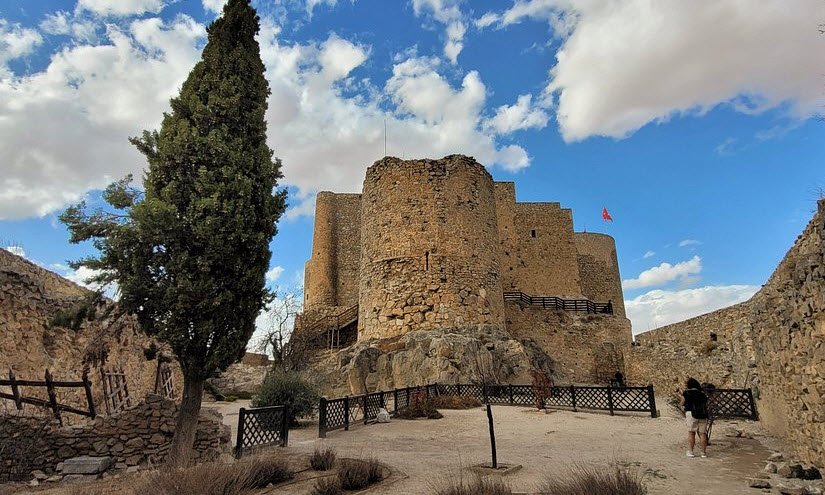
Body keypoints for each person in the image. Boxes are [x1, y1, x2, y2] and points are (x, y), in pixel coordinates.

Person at [682, 377, 709, 458]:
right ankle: (703, 453)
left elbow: (682, 403)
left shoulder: (686, 393)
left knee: (691, 432)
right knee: (702, 433)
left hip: (691, 413)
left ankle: (691, 451)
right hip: (702, 414)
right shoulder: (702, 394)